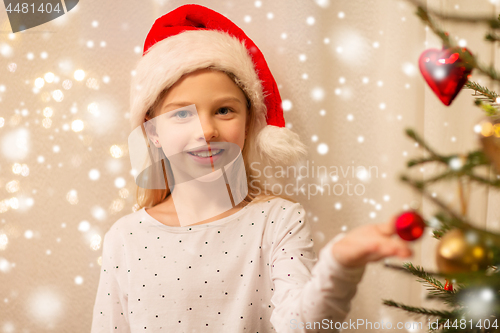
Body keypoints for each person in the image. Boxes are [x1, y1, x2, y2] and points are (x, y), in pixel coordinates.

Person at [91, 4, 412, 333]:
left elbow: (299, 325)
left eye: (224, 110)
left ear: (248, 123)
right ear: (152, 131)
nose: (206, 131)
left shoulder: (278, 222)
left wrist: (338, 268)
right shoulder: (125, 238)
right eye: (182, 114)